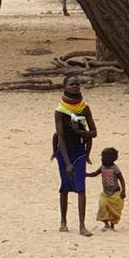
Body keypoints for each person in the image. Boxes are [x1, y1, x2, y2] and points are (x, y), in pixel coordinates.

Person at [54, 76, 97, 236]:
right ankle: (63, 221)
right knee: (65, 186)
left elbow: (94, 133)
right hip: (64, 152)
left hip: (79, 152)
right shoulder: (60, 111)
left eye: (77, 84)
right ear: (65, 87)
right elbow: (61, 137)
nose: (75, 87)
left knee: (81, 188)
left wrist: (80, 131)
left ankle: (82, 226)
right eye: (72, 84)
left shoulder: (84, 108)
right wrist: (67, 162)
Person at [87, 147, 126, 231]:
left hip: (115, 193)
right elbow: (95, 173)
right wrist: (86, 174)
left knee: (114, 210)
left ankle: (112, 225)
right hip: (105, 193)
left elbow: (121, 179)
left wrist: (123, 190)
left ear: (110, 159)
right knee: (102, 206)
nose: (102, 159)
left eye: (103, 157)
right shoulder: (102, 167)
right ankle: (106, 223)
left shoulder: (115, 169)